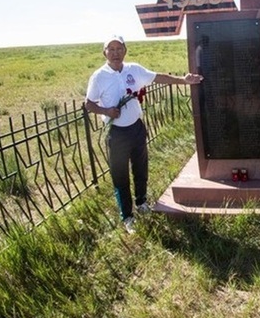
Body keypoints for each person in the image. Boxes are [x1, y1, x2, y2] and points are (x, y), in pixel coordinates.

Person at [85, 35, 203, 233]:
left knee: (141, 168)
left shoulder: (134, 70)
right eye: (111, 49)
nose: (115, 53)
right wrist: (106, 111)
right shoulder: (99, 76)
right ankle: (127, 216)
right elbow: (89, 104)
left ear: (125, 50)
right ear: (104, 52)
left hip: (136, 128)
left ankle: (141, 203)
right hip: (117, 133)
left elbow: (158, 77)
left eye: (119, 48)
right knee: (120, 175)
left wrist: (184, 80)